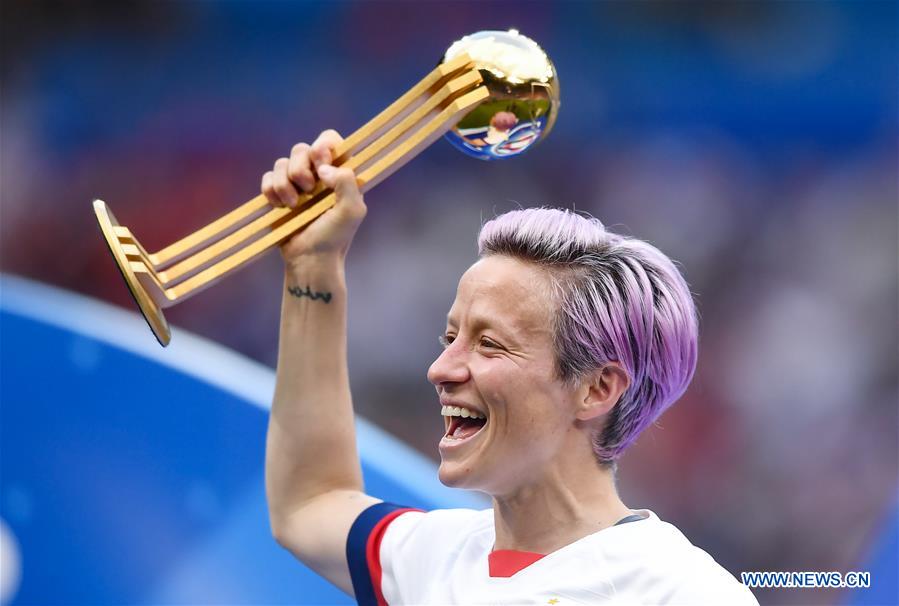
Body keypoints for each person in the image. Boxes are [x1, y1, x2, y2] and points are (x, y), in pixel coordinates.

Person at [262, 129, 759, 605]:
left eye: (490, 344)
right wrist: (314, 267)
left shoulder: (680, 591)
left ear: (597, 388)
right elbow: (310, 502)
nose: (441, 369)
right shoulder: (435, 555)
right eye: (450, 337)